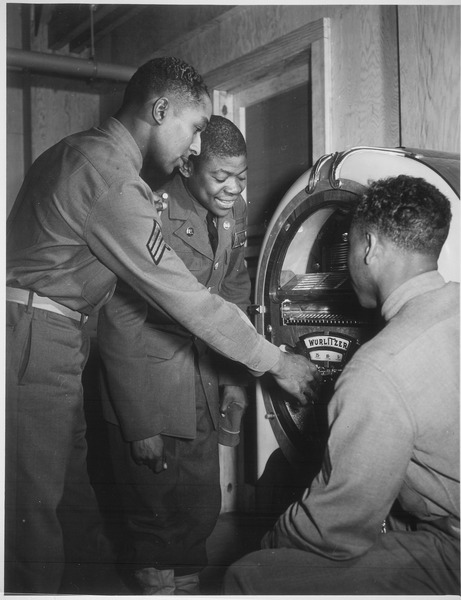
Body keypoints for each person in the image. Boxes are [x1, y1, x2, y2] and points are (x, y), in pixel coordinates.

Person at [5, 57, 318, 594]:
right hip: (34, 335)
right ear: (159, 109)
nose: (196, 147)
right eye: (194, 128)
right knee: (31, 520)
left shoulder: (82, 153)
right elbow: (188, 299)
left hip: (52, 334)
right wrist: (276, 361)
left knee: (69, 500)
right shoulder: (112, 181)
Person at [223, 174, 460, 595]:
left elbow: (333, 530)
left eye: (348, 244)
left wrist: (270, 544)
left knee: (249, 575)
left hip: (454, 551)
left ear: (368, 246)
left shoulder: (378, 369)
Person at [98, 115, 251, 594]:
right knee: (154, 515)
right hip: (149, 379)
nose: (233, 189)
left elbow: (233, 293)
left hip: (202, 377)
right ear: (188, 167)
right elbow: (121, 318)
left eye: (241, 177)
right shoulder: (151, 210)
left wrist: (234, 379)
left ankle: (182, 585)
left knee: (199, 511)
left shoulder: (235, 211)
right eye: (221, 177)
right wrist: (139, 422)